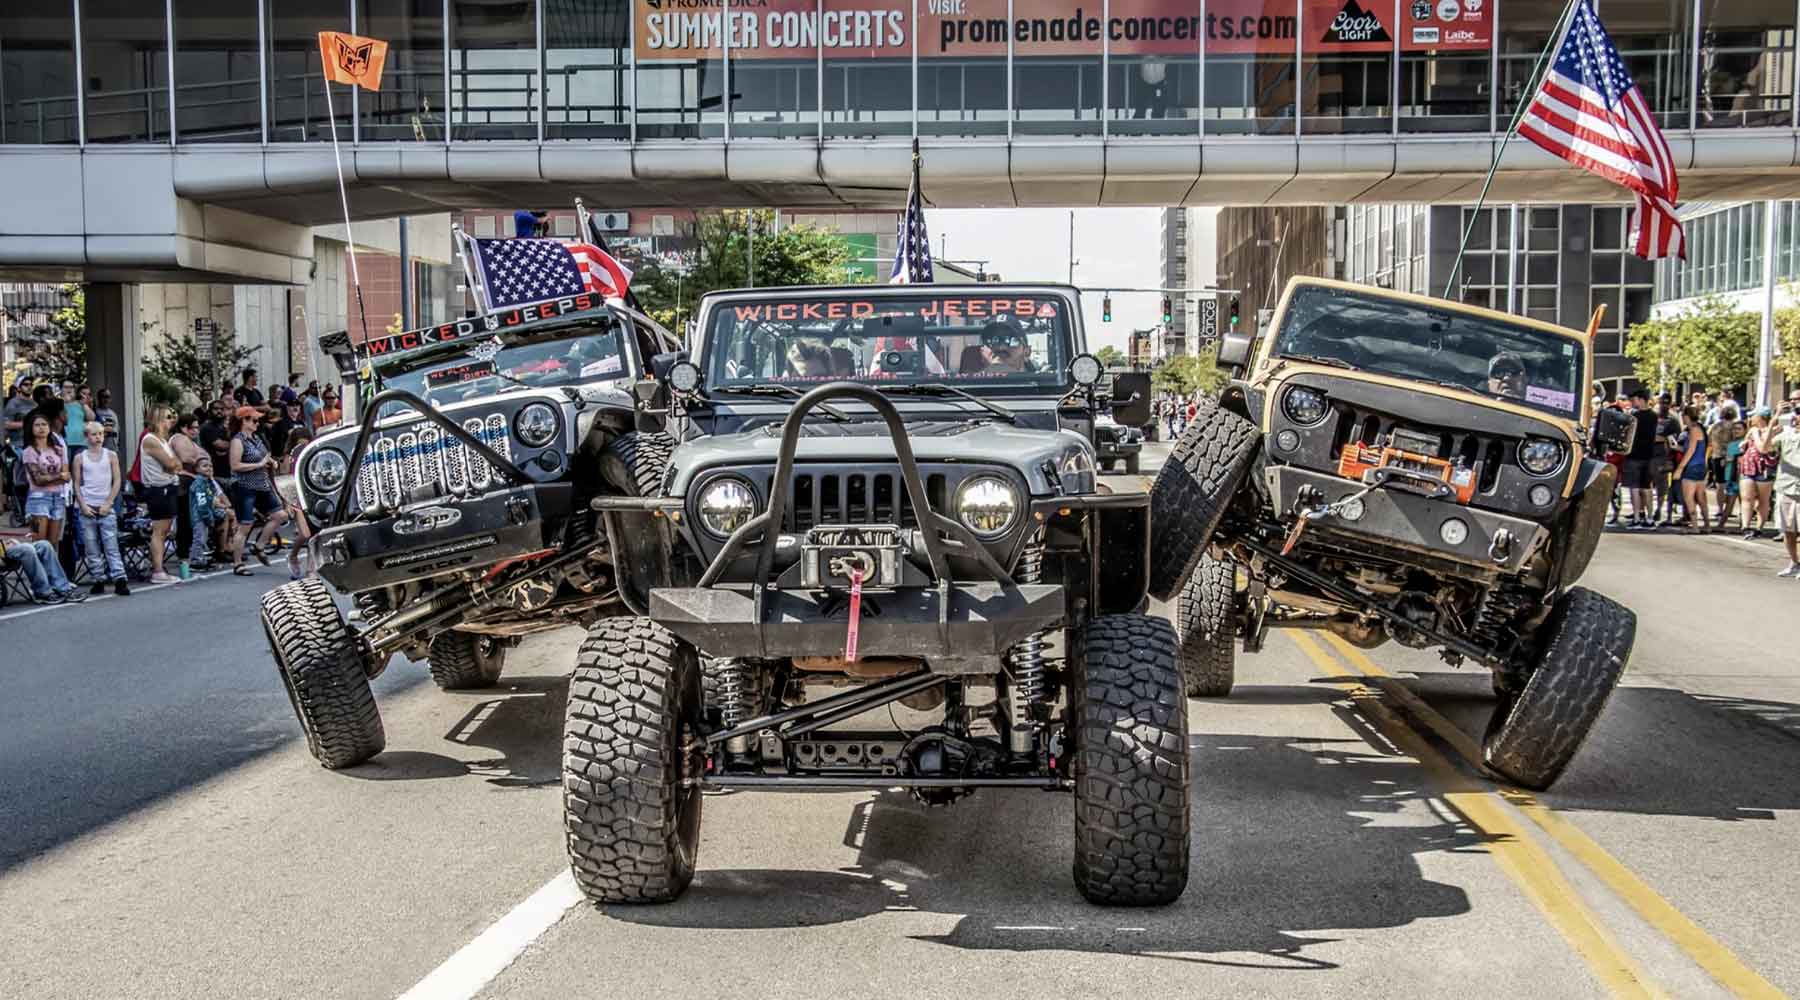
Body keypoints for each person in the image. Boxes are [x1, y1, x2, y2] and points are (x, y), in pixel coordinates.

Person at [71, 422, 129, 596]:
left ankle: (120, 578)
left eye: (101, 434)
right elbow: (76, 483)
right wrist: (82, 505)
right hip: (87, 505)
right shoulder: (80, 458)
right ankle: (98, 578)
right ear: (86, 436)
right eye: (94, 434)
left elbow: (117, 480)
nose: (98, 437)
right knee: (91, 546)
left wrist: (109, 502)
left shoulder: (111, 455)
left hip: (105, 505)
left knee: (111, 544)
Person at [228, 406, 288, 572]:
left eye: (257, 420)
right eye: (254, 420)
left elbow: (264, 456)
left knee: (280, 515)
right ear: (243, 421)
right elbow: (235, 465)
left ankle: (259, 545)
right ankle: (238, 563)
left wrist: (271, 462)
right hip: (244, 486)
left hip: (261, 484)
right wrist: (259, 464)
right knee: (245, 525)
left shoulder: (256, 438)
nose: (257, 423)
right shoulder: (238, 440)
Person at [137, 406, 183, 584]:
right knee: (159, 531)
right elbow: (171, 464)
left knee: (164, 530)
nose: (171, 420)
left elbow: (176, 464)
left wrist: (173, 464)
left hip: (168, 487)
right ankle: (157, 570)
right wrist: (173, 464)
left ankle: (158, 568)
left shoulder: (163, 440)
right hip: (158, 488)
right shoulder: (151, 440)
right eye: (167, 417)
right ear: (158, 420)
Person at [21, 410, 71, 548]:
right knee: (40, 544)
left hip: (58, 497)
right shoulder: (29, 451)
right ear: (31, 429)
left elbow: (67, 476)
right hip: (38, 498)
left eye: (44, 424)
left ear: (49, 428)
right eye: (37, 425)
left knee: (53, 543)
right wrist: (59, 476)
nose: (41, 428)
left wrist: (53, 477)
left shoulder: (58, 449)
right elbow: (38, 480)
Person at [169, 413, 207, 574]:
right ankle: (185, 556)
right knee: (186, 520)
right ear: (184, 427)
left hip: (192, 483)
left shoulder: (190, 441)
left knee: (193, 520)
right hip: (183, 485)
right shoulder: (179, 438)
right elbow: (185, 457)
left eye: (198, 428)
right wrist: (201, 459)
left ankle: (193, 554)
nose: (197, 431)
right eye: (194, 428)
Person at [1, 530, 83, 603]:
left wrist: (9, 542)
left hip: (5, 548)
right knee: (27, 549)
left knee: (44, 545)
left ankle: (62, 588)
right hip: (3, 556)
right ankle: (42, 591)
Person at [1769, 398, 1800, 577]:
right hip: (1786, 487)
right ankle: (1795, 563)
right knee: (1788, 530)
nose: (1796, 416)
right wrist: (1774, 421)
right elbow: (1764, 447)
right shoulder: (1786, 435)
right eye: (1796, 413)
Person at [188, 455, 234, 571]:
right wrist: (208, 518)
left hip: (206, 515)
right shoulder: (199, 483)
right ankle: (195, 561)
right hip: (199, 517)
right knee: (199, 538)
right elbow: (202, 504)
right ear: (197, 469)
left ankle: (202, 557)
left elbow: (212, 500)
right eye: (205, 466)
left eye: (210, 466)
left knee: (203, 538)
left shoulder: (208, 482)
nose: (208, 468)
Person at [1622, 388, 1658, 528]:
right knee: (1647, 488)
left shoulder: (1634, 417)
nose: (1632, 402)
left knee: (1635, 488)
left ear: (1641, 399)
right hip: (1648, 455)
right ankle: (1650, 518)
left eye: (1634, 400)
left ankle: (1637, 517)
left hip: (1634, 455)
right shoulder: (1654, 416)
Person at [1740, 407, 1778, 539]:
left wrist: (1756, 434)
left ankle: (1759, 527)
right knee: (1746, 497)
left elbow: (1763, 448)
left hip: (1764, 467)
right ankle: (1745, 526)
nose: (1751, 418)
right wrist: (1744, 443)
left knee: (1763, 499)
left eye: (1754, 416)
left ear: (1761, 417)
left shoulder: (1773, 430)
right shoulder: (1752, 430)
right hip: (1749, 465)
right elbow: (1745, 444)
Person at [1706, 404, 1745, 528]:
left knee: (1720, 484)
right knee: (1733, 484)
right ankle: (1736, 511)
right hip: (1731, 457)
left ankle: (1720, 508)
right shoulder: (1734, 427)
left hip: (1717, 456)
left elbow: (1709, 440)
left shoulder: (1715, 426)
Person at [1675, 405, 1710, 534]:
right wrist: (1676, 447)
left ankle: (1695, 526)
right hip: (1700, 466)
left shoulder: (1694, 430)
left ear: (1686, 416)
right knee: (1701, 497)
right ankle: (1706, 524)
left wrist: (1680, 468)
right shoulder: (1699, 429)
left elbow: (1691, 450)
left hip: (1692, 466)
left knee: (1689, 497)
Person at [93, 388, 120, 453]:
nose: (106, 399)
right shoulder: (94, 413)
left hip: (113, 449)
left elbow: (117, 430)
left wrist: (117, 446)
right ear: (99, 398)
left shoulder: (113, 414)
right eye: (104, 396)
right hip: (99, 450)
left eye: (108, 397)